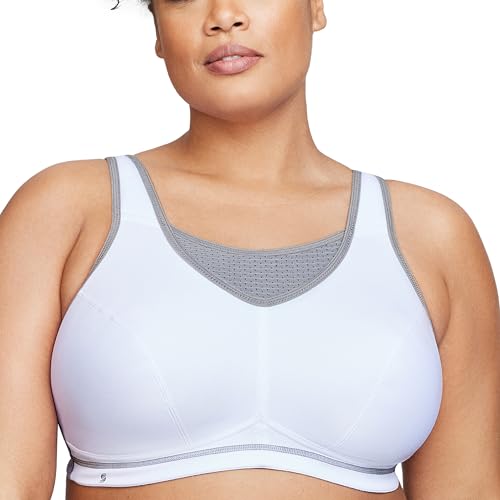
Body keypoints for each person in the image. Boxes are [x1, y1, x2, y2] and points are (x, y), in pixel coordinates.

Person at [1, 1, 499, 499]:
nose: (224, 15)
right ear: (158, 31)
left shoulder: (431, 237)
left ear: (316, 6)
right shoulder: (67, 213)